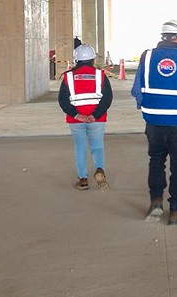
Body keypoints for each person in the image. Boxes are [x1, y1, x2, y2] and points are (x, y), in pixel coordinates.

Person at [131, 20, 177, 225]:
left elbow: (136, 90)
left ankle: (156, 203)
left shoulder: (147, 57)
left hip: (153, 120)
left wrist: (147, 107)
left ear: (163, 37)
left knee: (156, 160)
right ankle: (176, 210)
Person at [58, 44, 113, 191]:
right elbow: (107, 98)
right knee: (97, 146)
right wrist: (94, 115)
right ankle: (100, 170)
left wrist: (76, 114)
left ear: (76, 60)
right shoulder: (100, 75)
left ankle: (83, 180)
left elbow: (62, 100)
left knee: (80, 147)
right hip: (97, 119)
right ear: (93, 59)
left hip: (76, 120)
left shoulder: (68, 77)